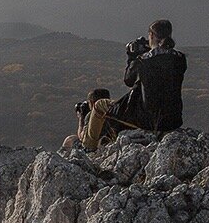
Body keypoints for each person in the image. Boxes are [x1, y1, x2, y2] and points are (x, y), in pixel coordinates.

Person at [65, 19, 186, 151]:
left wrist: (132, 56)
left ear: (151, 35)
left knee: (99, 105)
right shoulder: (180, 58)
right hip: (173, 119)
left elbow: (128, 80)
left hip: (147, 119)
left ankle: (88, 147)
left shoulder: (144, 60)